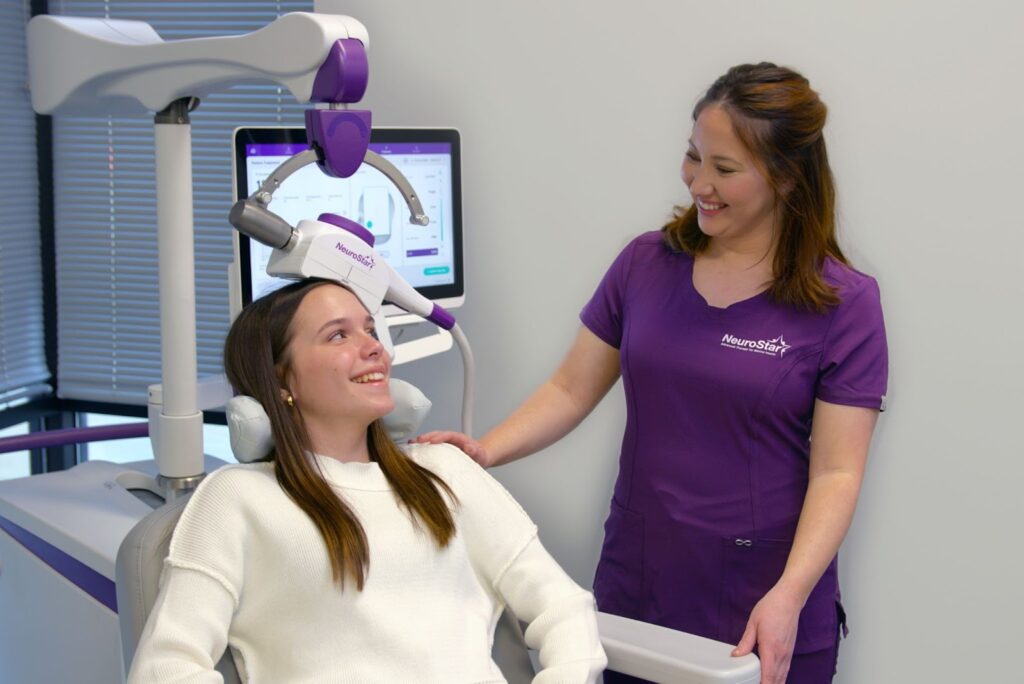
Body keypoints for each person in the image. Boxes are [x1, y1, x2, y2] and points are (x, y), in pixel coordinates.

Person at [415, 62, 888, 684]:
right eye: (694, 157)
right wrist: (485, 451)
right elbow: (569, 389)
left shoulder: (843, 303)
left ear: (786, 176)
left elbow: (836, 472)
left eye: (725, 169)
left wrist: (790, 595)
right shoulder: (645, 265)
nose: (700, 183)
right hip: (639, 584)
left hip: (765, 599)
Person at [128, 279, 607, 683]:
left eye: (371, 330)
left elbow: (563, 609)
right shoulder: (239, 496)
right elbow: (166, 668)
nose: (374, 347)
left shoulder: (445, 471)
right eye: (338, 335)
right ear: (281, 380)